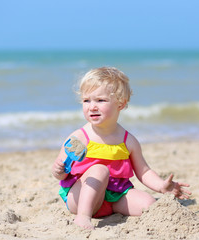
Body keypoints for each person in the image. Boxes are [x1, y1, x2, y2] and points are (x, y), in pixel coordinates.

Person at [52, 67, 191, 229]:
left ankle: (112, 208)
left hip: (113, 197)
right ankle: (83, 217)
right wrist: (58, 170)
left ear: (121, 104)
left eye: (100, 100)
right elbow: (62, 173)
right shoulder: (79, 137)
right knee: (99, 170)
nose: (92, 107)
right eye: (86, 100)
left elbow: (144, 171)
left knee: (149, 203)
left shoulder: (128, 141)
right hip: (80, 196)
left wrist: (161, 186)